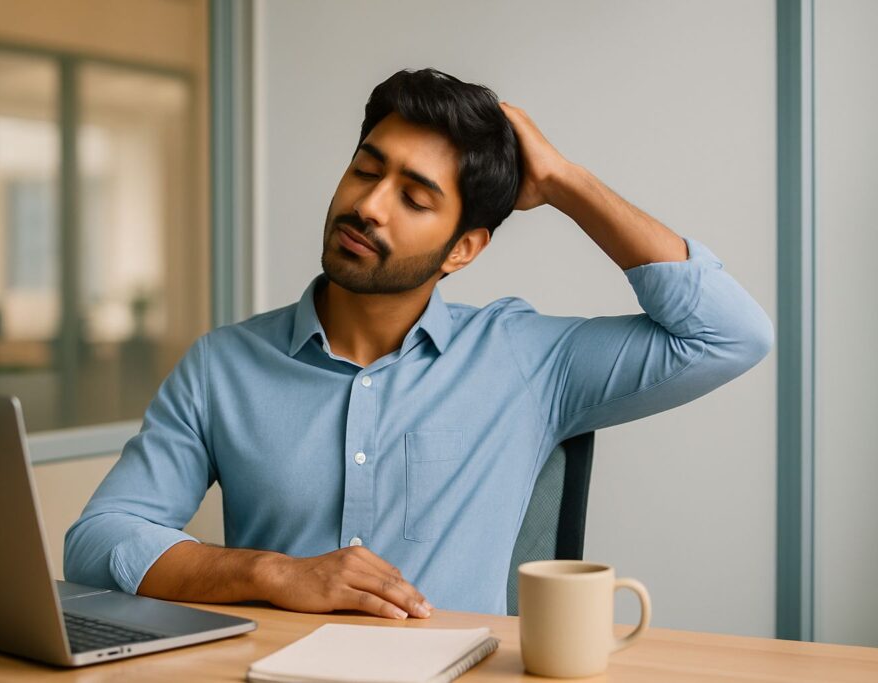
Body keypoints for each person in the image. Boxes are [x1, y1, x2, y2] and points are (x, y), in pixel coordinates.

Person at [64, 68, 773, 618]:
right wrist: (273, 573)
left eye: (414, 196)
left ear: (463, 248)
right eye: (366, 170)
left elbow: (730, 334)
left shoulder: (525, 360)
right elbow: (99, 540)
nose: (368, 204)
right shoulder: (223, 365)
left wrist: (563, 181)